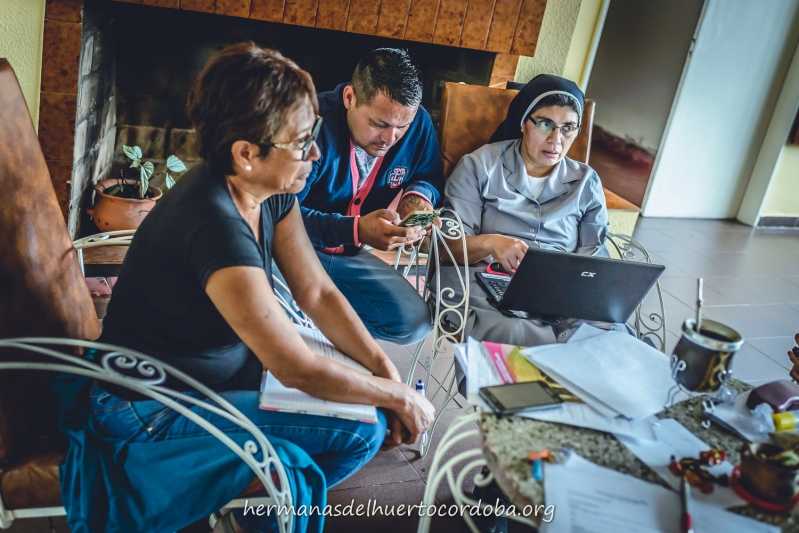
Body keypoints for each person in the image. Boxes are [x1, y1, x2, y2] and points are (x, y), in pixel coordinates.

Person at [59, 43, 434, 533]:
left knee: (363, 417)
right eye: (301, 142)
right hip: (152, 410)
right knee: (362, 429)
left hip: (218, 381)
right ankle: (261, 505)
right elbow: (295, 367)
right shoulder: (213, 224)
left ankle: (258, 502)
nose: (315, 153)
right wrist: (397, 398)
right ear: (246, 154)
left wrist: (387, 374)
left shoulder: (269, 191)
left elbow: (317, 292)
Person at [443, 74, 615, 347]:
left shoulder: (586, 182)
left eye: (568, 128)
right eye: (545, 124)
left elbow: (593, 258)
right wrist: (491, 243)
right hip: (485, 279)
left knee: (607, 334)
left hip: (559, 290)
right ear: (524, 122)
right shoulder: (479, 166)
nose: (556, 140)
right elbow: (447, 248)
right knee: (513, 332)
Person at [296, 48, 445, 345]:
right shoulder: (310, 124)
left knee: (414, 323)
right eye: (379, 124)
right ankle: (302, 318)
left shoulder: (419, 123)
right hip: (290, 252)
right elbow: (280, 214)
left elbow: (427, 176)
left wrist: (417, 199)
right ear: (350, 97)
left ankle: (313, 319)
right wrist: (355, 230)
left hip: (344, 259)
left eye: (402, 127)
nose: (390, 139)